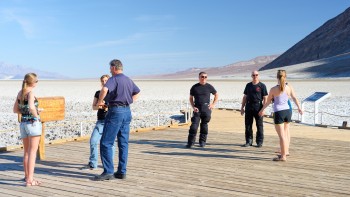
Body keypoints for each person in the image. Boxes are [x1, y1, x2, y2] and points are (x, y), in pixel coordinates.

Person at [93, 59, 140, 181]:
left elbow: (104, 90)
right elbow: (137, 92)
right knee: (123, 142)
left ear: (114, 68)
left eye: (110, 68)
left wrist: (99, 102)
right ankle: (121, 171)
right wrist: (129, 101)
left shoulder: (113, 79)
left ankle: (108, 172)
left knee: (106, 142)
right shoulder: (128, 79)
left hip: (115, 111)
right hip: (127, 111)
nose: (110, 70)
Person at [258, 70, 303, 161]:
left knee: (282, 135)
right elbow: (294, 97)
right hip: (287, 112)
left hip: (279, 112)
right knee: (286, 133)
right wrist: (299, 107)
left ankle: (283, 156)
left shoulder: (273, 89)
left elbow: (268, 102)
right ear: (285, 77)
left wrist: (262, 110)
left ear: (277, 77)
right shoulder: (288, 87)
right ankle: (285, 151)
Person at [81, 74, 116, 170]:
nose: (104, 82)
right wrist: (100, 106)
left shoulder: (113, 93)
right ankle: (93, 163)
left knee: (110, 143)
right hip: (100, 121)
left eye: (106, 80)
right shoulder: (98, 93)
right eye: (103, 81)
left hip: (110, 121)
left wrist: (107, 107)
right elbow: (94, 107)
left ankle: (109, 163)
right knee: (93, 141)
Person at [13, 73, 42, 186]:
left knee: (26, 152)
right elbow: (31, 106)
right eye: (37, 81)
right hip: (32, 124)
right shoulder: (30, 93)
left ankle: (26, 177)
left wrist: (26, 113)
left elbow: (15, 109)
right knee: (32, 153)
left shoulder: (20, 93)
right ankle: (30, 180)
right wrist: (36, 116)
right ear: (33, 82)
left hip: (23, 124)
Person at [186, 72, 219, 148]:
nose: (204, 78)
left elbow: (216, 95)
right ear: (199, 77)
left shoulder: (209, 86)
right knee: (194, 126)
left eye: (205, 77)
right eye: (202, 77)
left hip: (206, 109)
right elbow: (191, 98)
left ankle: (202, 142)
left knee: (204, 126)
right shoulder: (194, 87)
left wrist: (213, 104)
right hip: (197, 109)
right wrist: (193, 107)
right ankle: (190, 142)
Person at [240, 70, 268, 147]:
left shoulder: (262, 86)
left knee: (259, 125)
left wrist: (263, 109)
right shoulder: (248, 85)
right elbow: (245, 97)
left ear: (258, 75)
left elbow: (265, 98)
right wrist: (242, 107)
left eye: (256, 75)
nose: (255, 76)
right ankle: (249, 141)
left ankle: (259, 142)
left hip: (258, 107)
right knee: (248, 125)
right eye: (253, 75)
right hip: (249, 106)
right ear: (251, 76)